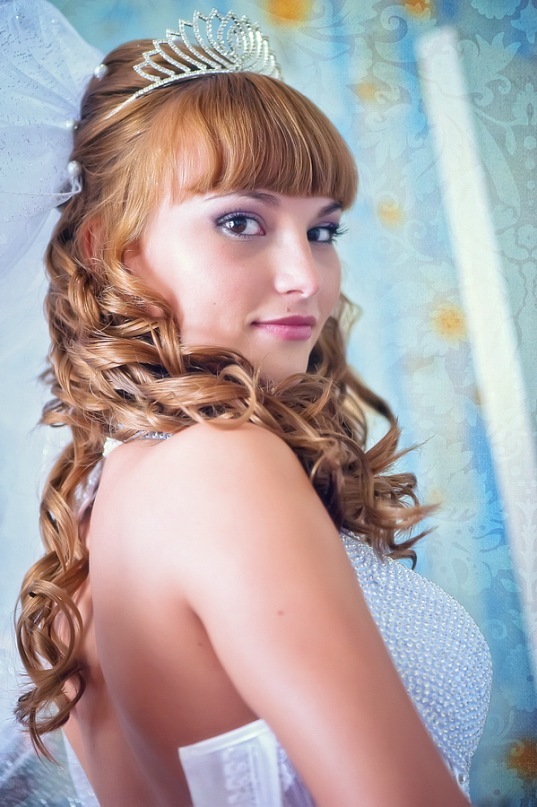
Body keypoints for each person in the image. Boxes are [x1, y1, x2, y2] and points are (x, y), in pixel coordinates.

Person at [6, 3, 492, 806]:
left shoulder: (98, 510)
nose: (305, 278)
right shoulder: (223, 465)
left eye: (322, 231)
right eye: (241, 221)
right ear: (107, 245)